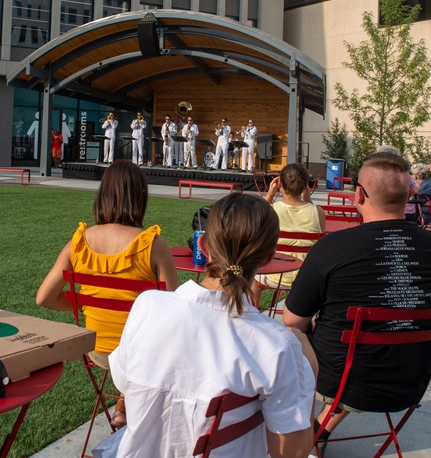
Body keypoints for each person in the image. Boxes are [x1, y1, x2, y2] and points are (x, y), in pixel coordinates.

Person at [110, 193, 316, 458]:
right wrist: (310, 368)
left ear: (204, 246)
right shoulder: (276, 345)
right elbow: (291, 453)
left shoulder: (147, 306)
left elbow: (124, 382)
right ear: (268, 259)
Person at [284, 151, 431, 441]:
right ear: (406, 197)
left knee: (287, 333)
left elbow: (293, 319)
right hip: (411, 379)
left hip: (342, 379)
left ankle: (295, 438)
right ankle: (317, 432)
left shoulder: (333, 247)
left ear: (359, 196)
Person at [37, 160, 179, 427]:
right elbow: (175, 309)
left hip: (98, 350)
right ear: (141, 198)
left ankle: (122, 405)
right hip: (142, 355)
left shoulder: (79, 242)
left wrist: (84, 305)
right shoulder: (153, 245)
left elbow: (43, 297)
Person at [256, 163, 327, 293]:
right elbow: (319, 243)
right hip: (306, 277)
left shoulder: (271, 210)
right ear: (305, 186)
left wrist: (269, 196)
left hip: (276, 274)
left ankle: (254, 309)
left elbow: (256, 223)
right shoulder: (318, 212)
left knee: (251, 275)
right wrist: (308, 199)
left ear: (280, 185)